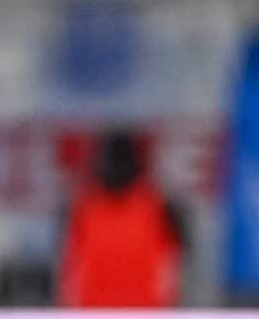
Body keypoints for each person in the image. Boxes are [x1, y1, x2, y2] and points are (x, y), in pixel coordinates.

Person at [58, 130, 185, 309]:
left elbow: (67, 274)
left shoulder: (159, 208)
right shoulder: (83, 208)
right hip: (103, 317)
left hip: (138, 318)